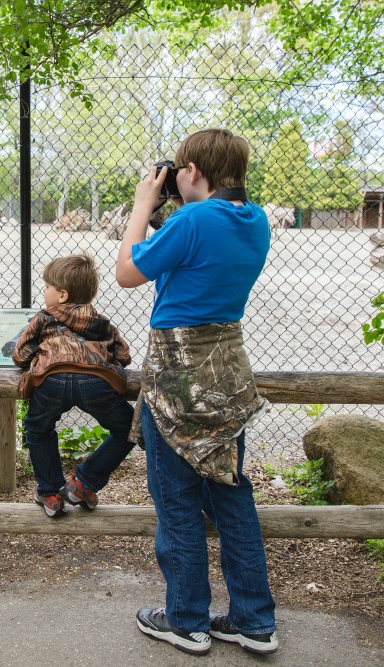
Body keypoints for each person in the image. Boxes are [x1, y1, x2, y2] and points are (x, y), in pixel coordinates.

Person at [115, 129, 278, 656]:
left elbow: (127, 273)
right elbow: (197, 250)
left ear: (192, 173)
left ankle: (186, 620)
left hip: (178, 373)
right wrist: (174, 211)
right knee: (231, 493)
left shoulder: (192, 220)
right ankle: (255, 621)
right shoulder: (254, 219)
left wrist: (143, 205)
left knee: (177, 498)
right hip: (227, 371)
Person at [11, 254, 135, 518]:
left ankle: (50, 492)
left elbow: (20, 355)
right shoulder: (102, 322)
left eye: (47, 286)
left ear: (62, 295)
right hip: (95, 381)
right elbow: (124, 356)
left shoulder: (44, 317)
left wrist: (39, 356)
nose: (44, 291)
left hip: (52, 380)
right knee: (129, 428)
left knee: (38, 428)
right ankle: (84, 483)